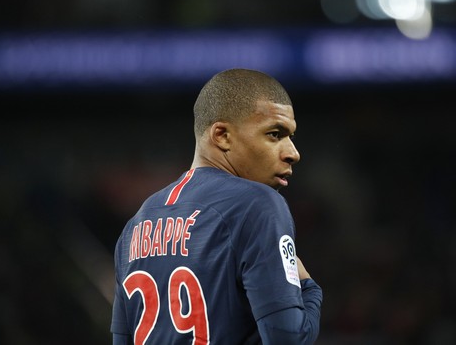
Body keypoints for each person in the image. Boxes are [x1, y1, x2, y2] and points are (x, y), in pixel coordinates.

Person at [110, 68, 323, 344]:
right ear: (221, 135)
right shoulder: (257, 204)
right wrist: (309, 289)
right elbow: (288, 338)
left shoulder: (135, 225)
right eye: (274, 134)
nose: (293, 153)